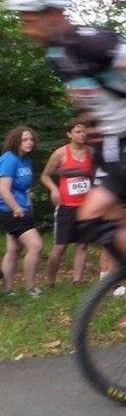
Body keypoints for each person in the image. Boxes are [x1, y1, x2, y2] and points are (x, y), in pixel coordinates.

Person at [4, 0, 126, 327]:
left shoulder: (93, 43)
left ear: (53, 13)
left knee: (92, 216)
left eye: (29, 20)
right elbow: (96, 107)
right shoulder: (59, 58)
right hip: (120, 144)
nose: (26, 30)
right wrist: (100, 147)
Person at [40, 119, 93, 285]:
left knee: (83, 245)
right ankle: (50, 281)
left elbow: (96, 175)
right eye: (78, 131)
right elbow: (45, 175)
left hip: (86, 205)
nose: (82, 135)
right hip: (66, 205)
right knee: (60, 247)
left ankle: (77, 280)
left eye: (84, 131)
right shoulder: (60, 153)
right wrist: (53, 189)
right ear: (69, 134)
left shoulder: (91, 152)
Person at [0, 126, 45, 296]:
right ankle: (31, 287)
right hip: (10, 210)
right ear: (16, 141)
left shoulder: (26, 160)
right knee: (36, 245)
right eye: (25, 139)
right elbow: (3, 189)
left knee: (14, 249)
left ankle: (8, 290)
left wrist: (28, 206)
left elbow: (25, 188)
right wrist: (16, 208)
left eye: (31, 139)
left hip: (23, 209)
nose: (29, 143)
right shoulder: (9, 159)